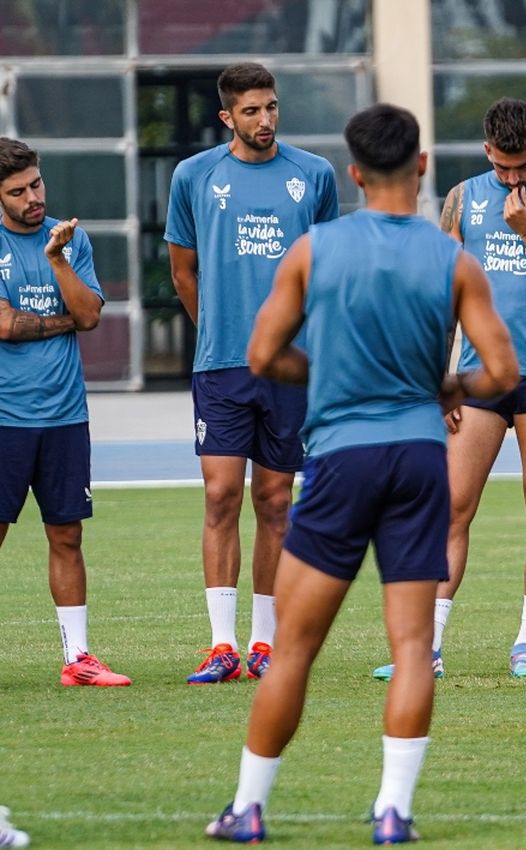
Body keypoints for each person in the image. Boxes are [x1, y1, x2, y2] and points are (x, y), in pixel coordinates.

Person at [205, 103, 518, 845]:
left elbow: (260, 355)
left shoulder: (315, 249)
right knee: (413, 647)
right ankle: (393, 813)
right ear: (420, 168)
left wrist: (324, 379)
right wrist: (450, 391)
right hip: (417, 457)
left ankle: (248, 809)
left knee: (297, 647)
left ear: (351, 173)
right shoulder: (454, 260)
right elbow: (501, 371)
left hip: (341, 457)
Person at [372, 97, 526, 681]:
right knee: (451, 508)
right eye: (504, 167)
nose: (514, 178)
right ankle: (428, 647)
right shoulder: (462, 199)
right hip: (476, 379)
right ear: (486, 150)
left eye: (523, 167)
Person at [166, 62, 340, 685]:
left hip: (291, 369)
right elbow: (183, 271)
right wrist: (217, 330)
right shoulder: (194, 176)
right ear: (227, 117)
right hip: (222, 365)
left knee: (274, 501)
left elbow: (326, 271)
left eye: (271, 107)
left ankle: (264, 642)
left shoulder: (314, 175)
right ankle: (221, 644)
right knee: (220, 497)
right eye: (251, 111)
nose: (265, 120)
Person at [0, 138, 129, 689]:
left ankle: (78, 659)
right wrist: (60, 321)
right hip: (5, 416)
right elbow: (4, 326)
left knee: (67, 534)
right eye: (17, 191)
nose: (32, 197)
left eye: (36, 184)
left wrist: (55, 259)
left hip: (64, 415)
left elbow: (91, 315)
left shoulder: (68, 241)